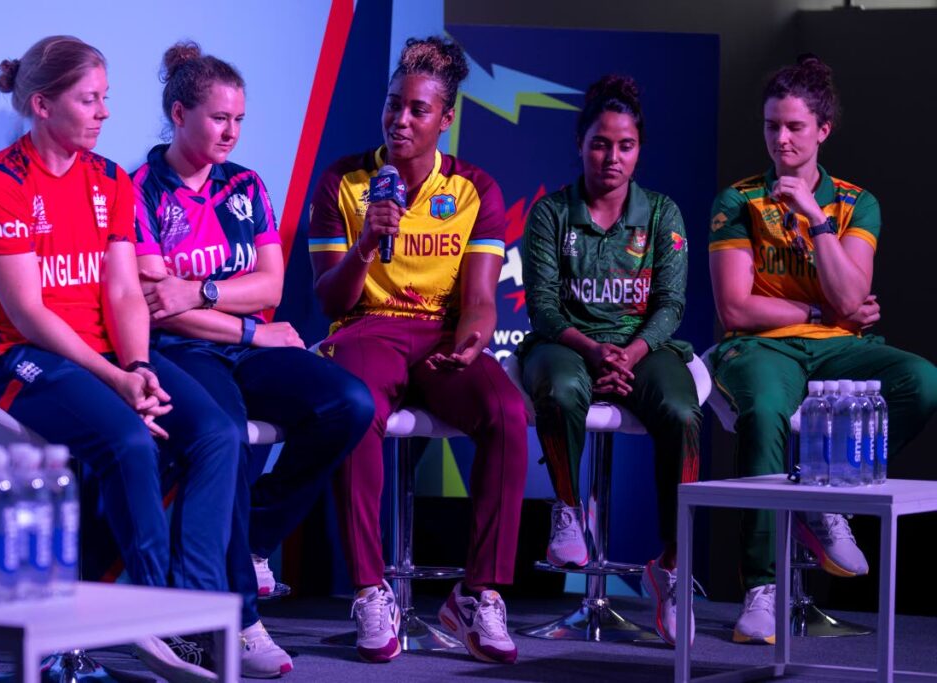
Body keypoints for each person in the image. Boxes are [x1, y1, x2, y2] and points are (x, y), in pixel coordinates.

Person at [0, 35, 245, 681]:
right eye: (88, 99)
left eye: (105, 98)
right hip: (15, 356)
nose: (103, 112)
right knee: (128, 440)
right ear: (41, 104)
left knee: (217, 433)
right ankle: (148, 611)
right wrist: (116, 378)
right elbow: (30, 313)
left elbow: (122, 289)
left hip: (108, 353)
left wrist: (139, 365)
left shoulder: (111, 178)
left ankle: (195, 612)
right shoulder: (1, 183)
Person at [131, 41, 375, 678]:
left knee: (348, 404)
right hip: (185, 352)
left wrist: (210, 293)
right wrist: (245, 329)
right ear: (179, 113)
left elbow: (270, 286)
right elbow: (161, 310)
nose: (231, 131)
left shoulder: (246, 184)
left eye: (239, 119)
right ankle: (238, 620)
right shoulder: (139, 189)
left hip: (243, 341)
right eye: (218, 118)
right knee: (229, 436)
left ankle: (255, 539)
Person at [308, 36, 528, 664]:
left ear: (445, 118)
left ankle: (477, 594)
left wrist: (471, 346)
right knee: (355, 411)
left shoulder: (473, 189)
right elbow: (329, 300)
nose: (400, 120)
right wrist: (367, 242)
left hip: (440, 332)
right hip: (367, 326)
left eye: (418, 110)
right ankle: (370, 588)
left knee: (508, 414)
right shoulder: (344, 182)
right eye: (393, 105)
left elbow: (482, 301)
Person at [708, 54, 937, 644]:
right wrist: (817, 310)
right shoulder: (737, 201)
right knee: (762, 414)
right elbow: (736, 307)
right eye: (770, 127)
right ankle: (762, 588)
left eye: (794, 127)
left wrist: (816, 221)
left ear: (823, 129)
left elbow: (852, 293)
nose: (780, 140)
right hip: (762, 349)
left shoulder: (857, 202)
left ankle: (819, 487)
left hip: (839, 349)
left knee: (922, 382)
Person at [516, 75, 701, 647]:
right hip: (566, 344)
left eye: (625, 145)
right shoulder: (550, 213)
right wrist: (594, 350)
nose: (612, 156)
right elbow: (543, 307)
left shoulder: (662, 214)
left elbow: (671, 304)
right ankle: (569, 510)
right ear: (580, 143)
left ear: (639, 148)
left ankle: (672, 563)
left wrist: (633, 350)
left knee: (680, 409)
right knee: (564, 389)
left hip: (643, 347)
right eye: (600, 143)